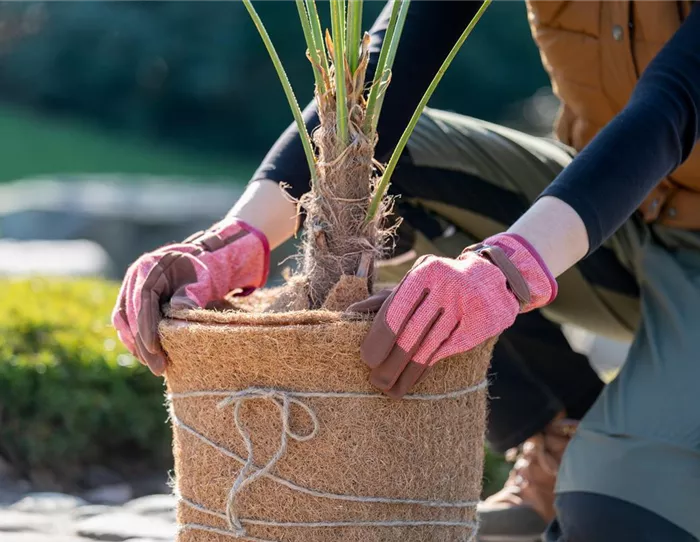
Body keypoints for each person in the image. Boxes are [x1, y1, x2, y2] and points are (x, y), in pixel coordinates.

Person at [112, 0, 700, 540]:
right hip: (620, 219)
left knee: (614, 519)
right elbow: (387, 66)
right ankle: (563, 427)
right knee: (381, 160)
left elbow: (673, 105)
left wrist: (507, 267)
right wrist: (233, 241)